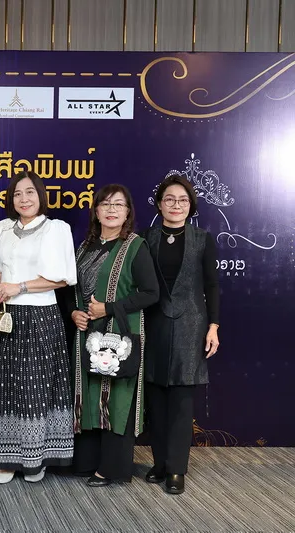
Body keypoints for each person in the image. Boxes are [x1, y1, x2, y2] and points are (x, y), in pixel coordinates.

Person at [0, 171, 77, 484]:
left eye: (30, 192)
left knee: (36, 389)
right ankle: (7, 460)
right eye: (18, 193)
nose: (24, 199)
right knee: (6, 387)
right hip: (7, 317)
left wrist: (18, 287)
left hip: (41, 317)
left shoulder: (57, 228)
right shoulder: (4, 228)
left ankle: (36, 460)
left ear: (40, 195)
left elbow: (62, 279)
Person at [69, 184, 159, 487]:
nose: (111, 210)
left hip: (118, 334)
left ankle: (112, 467)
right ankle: (87, 461)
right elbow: (70, 291)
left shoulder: (135, 246)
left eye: (118, 205)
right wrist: (75, 312)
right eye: (105, 204)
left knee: (115, 397)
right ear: (96, 211)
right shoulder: (85, 247)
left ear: (127, 212)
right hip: (86, 333)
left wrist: (108, 308)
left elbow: (151, 293)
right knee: (89, 394)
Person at [142, 174, 220, 495]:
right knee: (155, 398)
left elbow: (212, 285)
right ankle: (159, 463)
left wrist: (214, 326)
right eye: (170, 199)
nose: (176, 205)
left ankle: (176, 469)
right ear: (160, 205)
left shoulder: (202, 239)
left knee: (181, 401)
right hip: (153, 323)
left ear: (191, 206)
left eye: (183, 200)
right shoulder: (145, 237)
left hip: (192, 325)